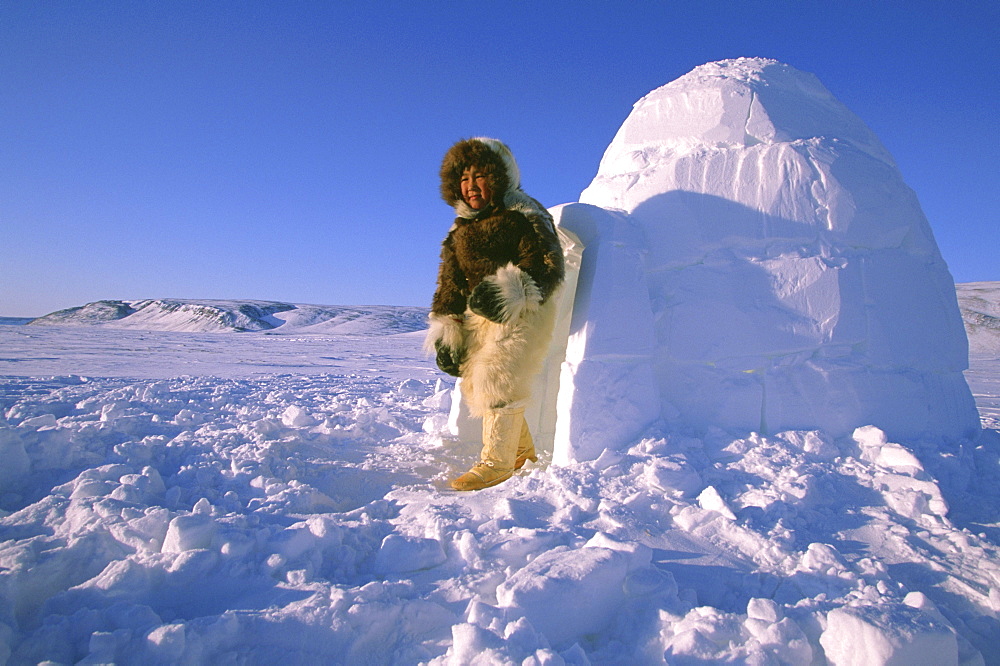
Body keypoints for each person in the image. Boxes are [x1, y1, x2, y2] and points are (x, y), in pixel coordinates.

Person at [426, 137, 565, 491]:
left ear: (500, 176)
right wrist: (448, 329)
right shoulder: (459, 231)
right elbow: (450, 284)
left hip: (523, 310)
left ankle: (497, 463)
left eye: (480, 175)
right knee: (476, 382)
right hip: (479, 317)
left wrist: (510, 292)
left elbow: (546, 264)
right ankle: (522, 453)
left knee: (497, 377)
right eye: (464, 178)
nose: (471, 186)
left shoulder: (524, 213)